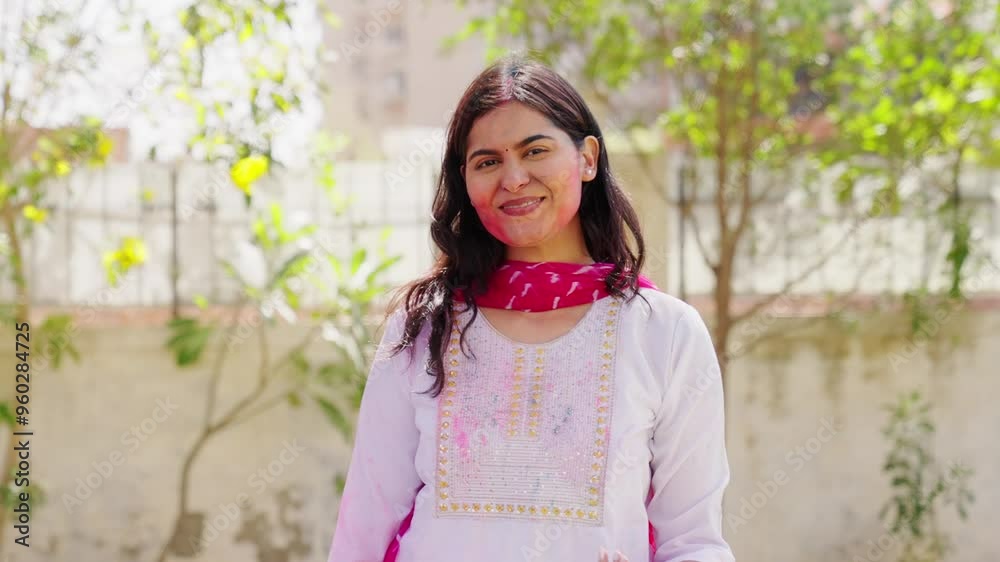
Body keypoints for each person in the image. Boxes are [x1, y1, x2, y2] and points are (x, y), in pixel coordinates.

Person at [326, 55, 735, 562]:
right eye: (487, 162)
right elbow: (363, 530)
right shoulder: (425, 327)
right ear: (465, 181)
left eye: (535, 150)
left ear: (587, 158)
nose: (514, 178)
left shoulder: (663, 333)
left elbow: (694, 541)